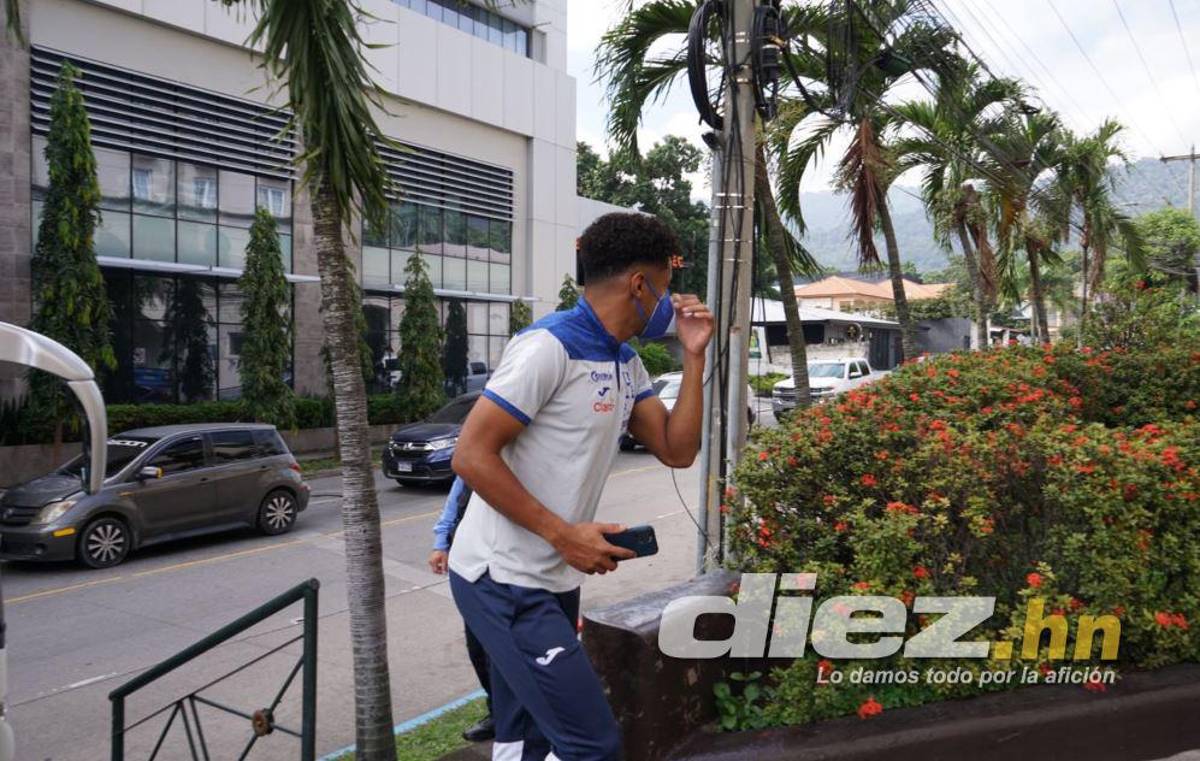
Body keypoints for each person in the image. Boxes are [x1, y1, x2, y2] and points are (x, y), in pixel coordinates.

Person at [448, 212, 714, 761]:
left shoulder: (625, 362)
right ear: (639, 285)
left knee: (525, 738)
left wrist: (694, 357)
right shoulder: (548, 346)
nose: (671, 301)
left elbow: (677, 450)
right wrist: (564, 535)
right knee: (593, 745)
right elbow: (470, 455)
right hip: (504, 579)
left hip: (553, 577)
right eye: (666, 286)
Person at [428, 475, 495, 742]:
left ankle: (519, 718)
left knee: (505, 652)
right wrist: (440, 543)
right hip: (471, 567)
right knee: (478, 649)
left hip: (509, 566)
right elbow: (455, 501)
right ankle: (497, 713)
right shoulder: (471, 463)